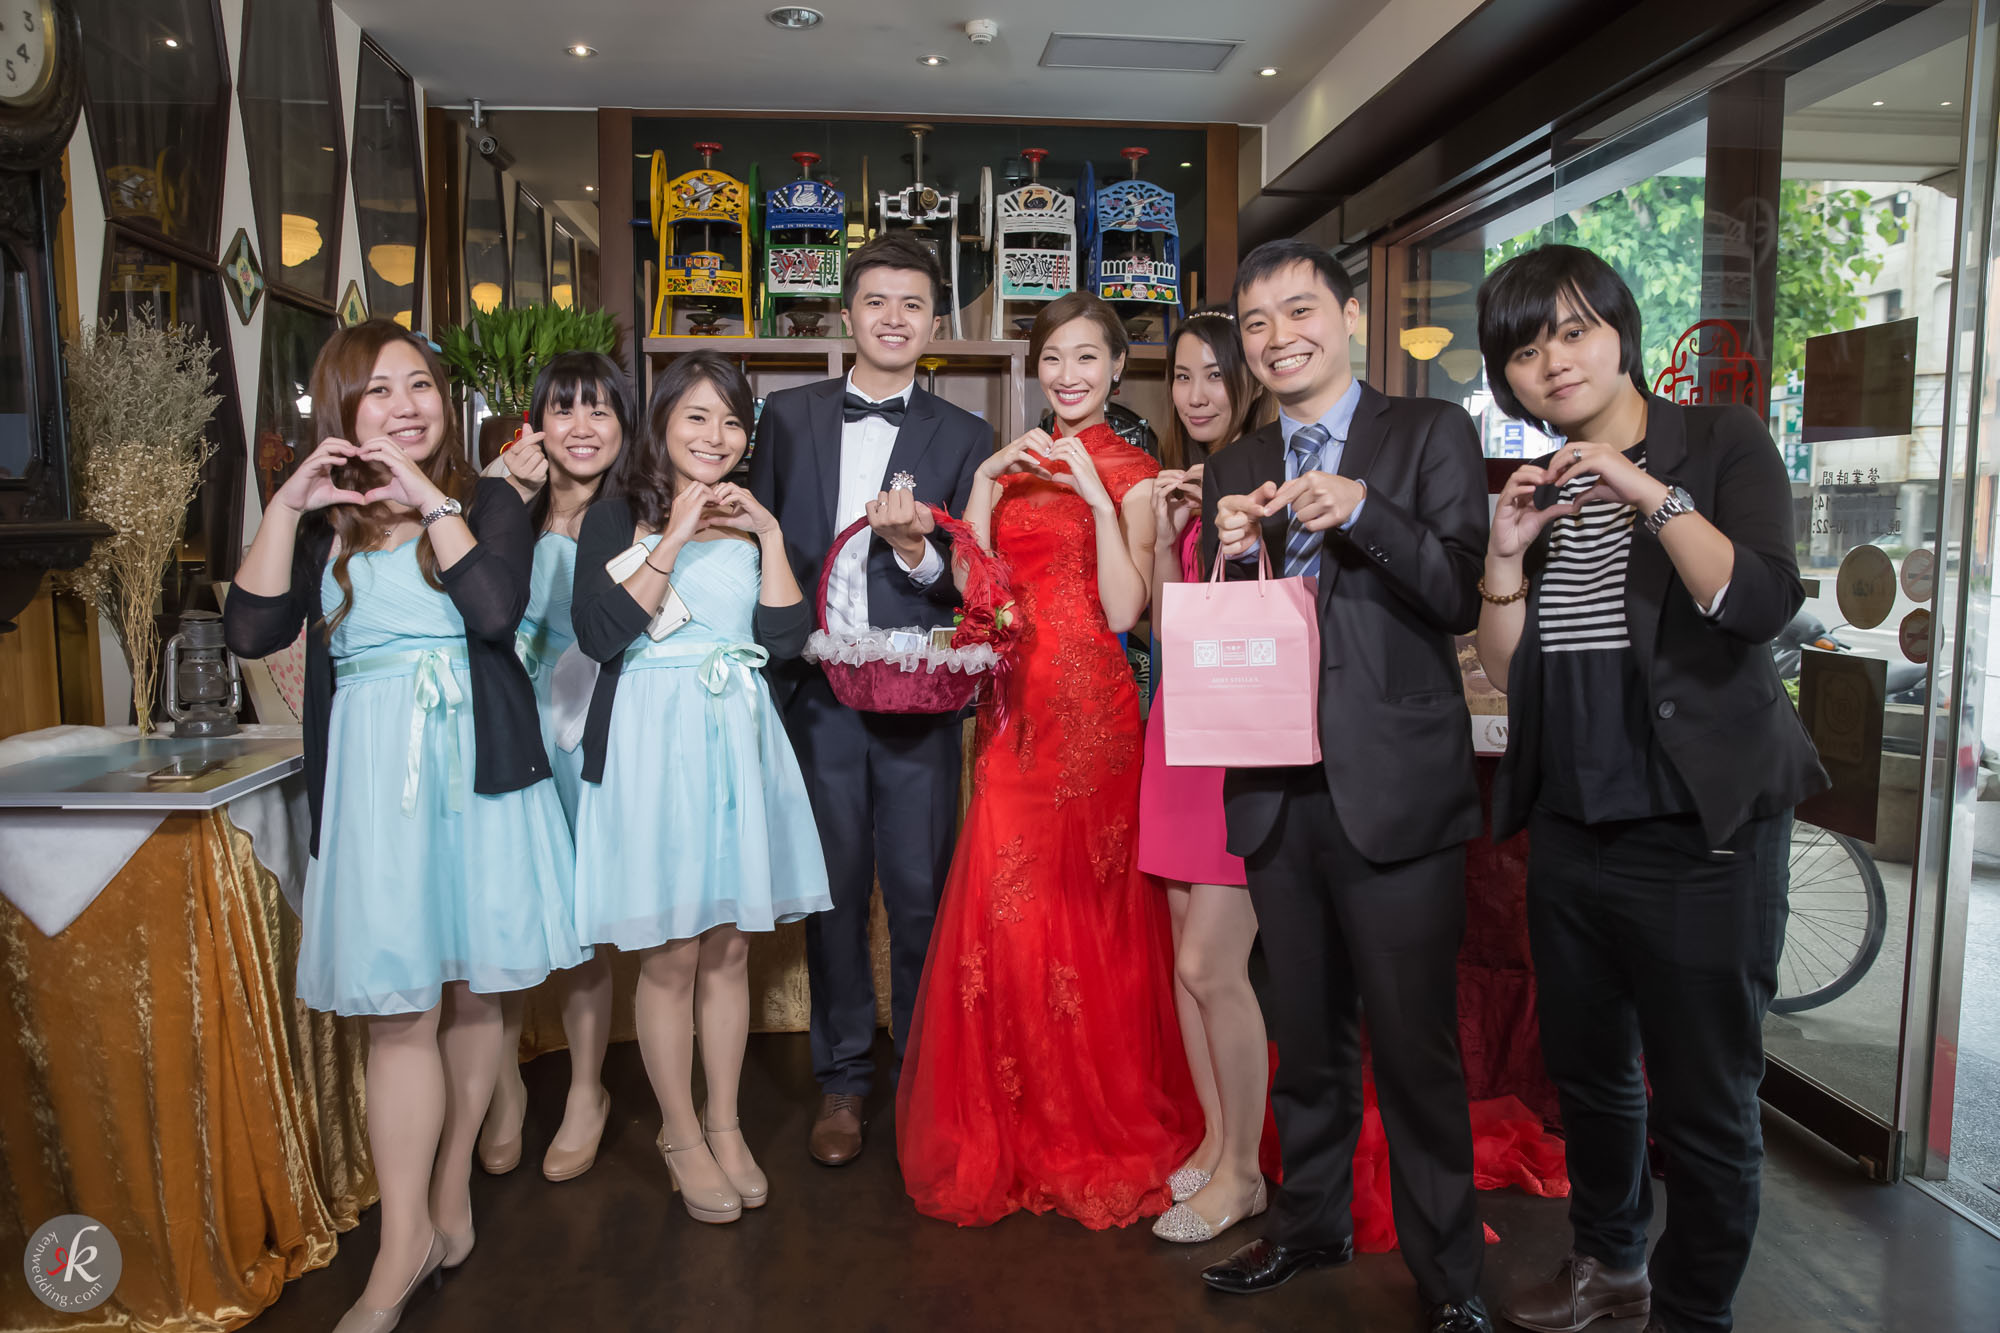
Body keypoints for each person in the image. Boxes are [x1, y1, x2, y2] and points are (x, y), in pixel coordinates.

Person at [1474, 245, 1827, 1333]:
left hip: (1699, 836)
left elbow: (1756, 600)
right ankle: (1609, 1269)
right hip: (1572, 828)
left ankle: (1691, 1313)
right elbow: (1509, 672)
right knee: (1589, 1080)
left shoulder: (1717, 442)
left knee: (1706, 1103)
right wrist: (1503, 555)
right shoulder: (1541, 486)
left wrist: (1646, 491)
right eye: (1524, 351)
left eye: (1573, 332)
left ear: (1619, 333)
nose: (1552, 362)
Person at [223, 321, 587, 1333]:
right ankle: (402, 1241)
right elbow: (251, 628)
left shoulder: (486, 502)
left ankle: (447, 1192)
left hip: (479, 775)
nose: (405, 405)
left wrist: (430, 498)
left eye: (419, 385)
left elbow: (493, 610)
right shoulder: (323, 524)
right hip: (377, 788)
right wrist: (288, 503)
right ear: (343, 406)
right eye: (379, 389)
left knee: (472, 994)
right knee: (400, 1013)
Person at [1200, 240, 1495, 1333]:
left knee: (1414, 1046)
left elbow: (1456, 592)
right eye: (1256, 322)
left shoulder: (1428, 432)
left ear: (1350, 315)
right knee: (1306, 1038)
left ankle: (1450, 1278)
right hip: (1275, 786)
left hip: (1394, 789)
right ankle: (1309, 1221)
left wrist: (1364, 509)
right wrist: (1236, 546)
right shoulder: (1237, 461)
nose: (1277, 337)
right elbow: (1229, 620)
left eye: (1298, 310)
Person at [895, 290, 1202, 1229]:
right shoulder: (1013, 465)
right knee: (1008, 902)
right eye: (1053, 360)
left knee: (1087, 904)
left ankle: (1091, 1108)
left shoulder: (1139, 473)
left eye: (1086, 358)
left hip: (1093, 715)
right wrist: (988, 480)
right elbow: (973, 588)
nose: (1069, 376)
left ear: (1117, 370)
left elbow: (1125, 612)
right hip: (1013, 711)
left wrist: (1096, 494)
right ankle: (1016, 1112)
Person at [569, 350, 832, 1225]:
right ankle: (678, 1134)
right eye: (696, 416)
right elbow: (600, 634)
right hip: (652, 743)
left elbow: (787, 640)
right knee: (671, 950)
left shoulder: (753, 521)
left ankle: (725, 1122)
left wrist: (768, 536)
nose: (715, 435)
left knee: (728, 947)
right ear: (662, 423)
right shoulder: (615, 515)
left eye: (730, 420)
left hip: (735, 740)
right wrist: (674, 535)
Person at [748, 233, 989, 1167]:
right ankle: (843, 1079)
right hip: (818, 697)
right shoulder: (785, 416)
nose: (894, 318)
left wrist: (914, 552)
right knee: (836, 892)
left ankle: (927, 1076)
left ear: (934, 323)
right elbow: (759, 548)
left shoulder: (964, 435)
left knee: (923, 893)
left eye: (912, 304)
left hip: (917, 698)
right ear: (847, 314)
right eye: (877, 301)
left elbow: (969, 581)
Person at [475, 353, 631, 1183]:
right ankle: (502, 1089)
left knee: (577, 925)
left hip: (586, 733)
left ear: (626, 425)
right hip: (507, 729)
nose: (581, 427)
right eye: (563, 409)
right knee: (500, 911)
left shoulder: (636, 517)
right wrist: (493, 490)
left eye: (600, 409)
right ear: (534, 425)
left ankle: (584, 1090)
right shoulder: (503, 510)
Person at [1138, 308, 1276, 1244]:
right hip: (1176, 732)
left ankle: (1244, 1171)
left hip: (1242, 739)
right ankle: (1216, 1138)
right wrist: (1165, 535)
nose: (1196, 394)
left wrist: (1239, 529)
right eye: (1183, 376)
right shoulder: (1191, 481)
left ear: (1248, 382)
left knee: (1209, 963)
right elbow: (1166, 635)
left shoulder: (1265, 477)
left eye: (1215, 375)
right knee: (1184, 963)